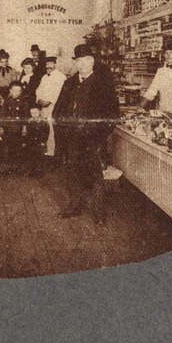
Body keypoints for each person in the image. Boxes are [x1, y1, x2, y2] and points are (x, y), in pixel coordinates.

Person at [54, 43, 120, 223]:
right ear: (75, 63)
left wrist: (100, 136)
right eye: (79, 61)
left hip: (92, 139)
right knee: (72, 172)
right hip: (71, 138)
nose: (82, 64)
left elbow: (113, 115)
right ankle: (74, 206)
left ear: (92, 61)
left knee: (95, 175)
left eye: (86, 60)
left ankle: (98, 213)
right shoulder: (69, 83)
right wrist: (63, 130)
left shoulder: (103, 85)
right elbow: (57, 111)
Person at [34, 53, 66, 158]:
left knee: (52, 128)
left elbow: (60, 92)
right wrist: (39, 100)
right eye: (47, 64)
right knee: (44, 128)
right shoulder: (44, 77)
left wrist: (49, 101)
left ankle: (53, 152)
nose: (48, 66)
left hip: (54, 107)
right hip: (43, 107)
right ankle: (46, 150)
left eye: (51, 63)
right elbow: (38, 90)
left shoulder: (61, 77)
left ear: (55, 64)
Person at [0, 49, 19, 149]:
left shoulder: (13, 71)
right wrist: (1, 99)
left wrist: (8, 98)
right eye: (2, 61)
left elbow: (15, 85)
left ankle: (9, 142)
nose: (4, 63)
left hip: (9, 95)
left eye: (6, 61)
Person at [0, 81, 29, 175]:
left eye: (19, 91)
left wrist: (24, 128)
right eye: (14, 91)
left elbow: (25, 116)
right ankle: (8, 168)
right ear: (10, 91)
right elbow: (2, 115)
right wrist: (1, 127)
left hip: (18, 129)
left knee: (18, 148)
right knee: (8, 148)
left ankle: (18, 168)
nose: (17, 93)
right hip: (8, 129)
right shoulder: (7, 102)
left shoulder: (24, 102)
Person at [22, 104, 50, 177]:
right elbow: (26, 133)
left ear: (39, 112)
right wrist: (25, 141)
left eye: (35, 113)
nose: (33, 115)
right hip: (31, 142)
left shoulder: (43, 121)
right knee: (32, 156)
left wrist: (43, 141)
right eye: (32, 113)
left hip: (40, 142)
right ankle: (32, 171)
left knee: (39, 157)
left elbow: (46, 132)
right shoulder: (29, 121)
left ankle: (40, 172)